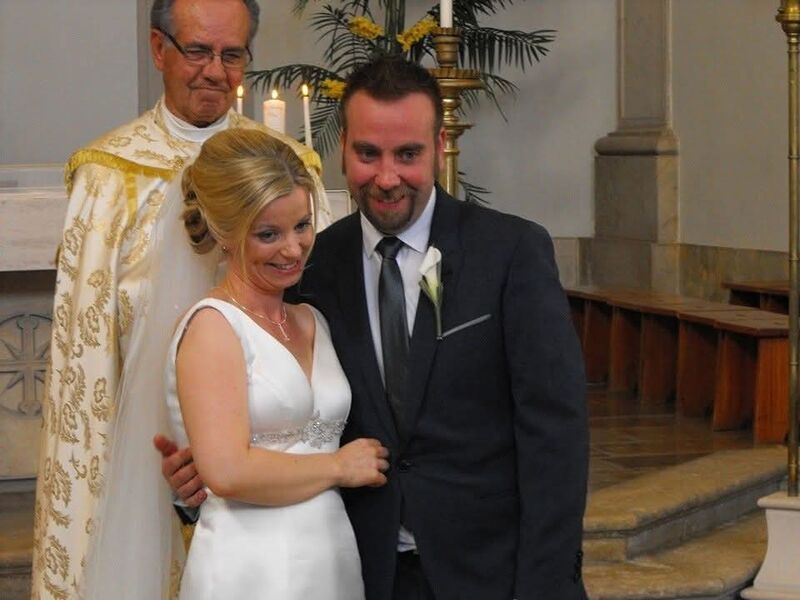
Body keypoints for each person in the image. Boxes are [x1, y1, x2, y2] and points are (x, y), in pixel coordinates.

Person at [163, 56, 589, 600]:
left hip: (489, 574)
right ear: (342, 147)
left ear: (439, 146)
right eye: (368, 153)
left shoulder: (510, 252)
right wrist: (198, 477)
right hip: (359, 571)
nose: (386, 177)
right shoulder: (309, 266)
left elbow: (555, 437)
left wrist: (546, 585)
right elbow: (275, 412)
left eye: (407, 154)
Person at [30, 1, 329, 598]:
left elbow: (312, 326)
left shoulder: (289, 167)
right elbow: (85, 354)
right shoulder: (110, 175)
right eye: (197, 51)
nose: (215, 72)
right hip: (145, 454)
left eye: (232, 54)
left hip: (271, 465)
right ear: (158, 49)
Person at [166, 129, 388, 599]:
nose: (293, 249)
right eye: (269, 234)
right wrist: (338, 468)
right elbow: (227, 472)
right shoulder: (213, 327)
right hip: (251, 566)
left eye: (302, 226)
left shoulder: (312, 318)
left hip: (329, 555)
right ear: (226, 234)